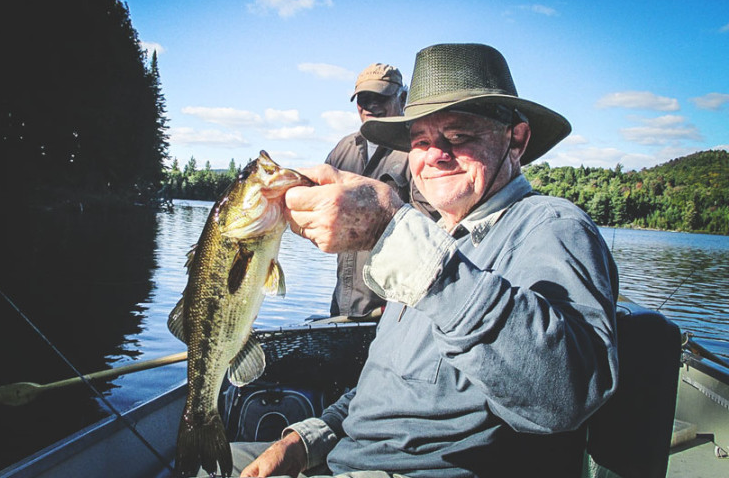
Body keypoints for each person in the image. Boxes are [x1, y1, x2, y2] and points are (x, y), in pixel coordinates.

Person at [236, 43, 620, 478]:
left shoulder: (552, 227)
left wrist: (393, 233)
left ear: (517, 140)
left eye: (459, 137)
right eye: (421, 141)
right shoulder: (428, 239)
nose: (435, 155)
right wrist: (304, 442)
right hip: (337, 460)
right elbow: (381, 389)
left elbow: (564, 396)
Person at [325, 63, 435, 319]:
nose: (371, 105)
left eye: (381, 97)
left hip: (396, 311)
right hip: (343, 304)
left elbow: (431, 226)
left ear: (403, 98)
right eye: (364, 98)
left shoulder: (416, 150)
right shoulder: (343, 148)